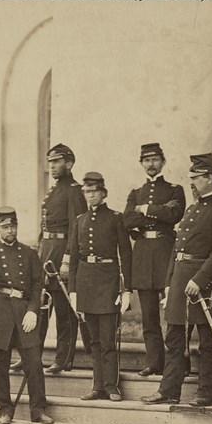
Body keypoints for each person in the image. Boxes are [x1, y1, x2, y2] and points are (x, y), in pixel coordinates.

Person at [140, 154, 212, 406]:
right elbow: (176, 249)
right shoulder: (193, 209)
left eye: (196, 178)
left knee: (208, 342)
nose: (191, 182)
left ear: (209, 178)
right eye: (190, 178)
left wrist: (200, 279)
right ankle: (169, 390)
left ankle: (207, 392)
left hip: (206, 285)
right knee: (174, 339)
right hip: (182, 282)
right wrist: (171, 283)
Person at [0, 207, 54, 424]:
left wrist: (33, 311)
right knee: (0, 365)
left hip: (24, 314)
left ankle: (38, 410)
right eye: (5, 227)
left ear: (17, 226)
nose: (10, 230)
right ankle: (4, 409)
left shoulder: (29, 254)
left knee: (35, 363)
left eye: (13, 226)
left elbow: (38, 285)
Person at [20, 143, 87, 374]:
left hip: (61, 254)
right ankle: (31, 355)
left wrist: (68, 259)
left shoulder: (74, 191)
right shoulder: (53, 191)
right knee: (38, 307)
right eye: (50, 162)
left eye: (57, 162)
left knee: (63, 309)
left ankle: (63, 358)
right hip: (46, 252)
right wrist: (37, 255)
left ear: (69, 163)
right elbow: (43, 227)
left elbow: (76, 229)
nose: (52, 166)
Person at [68, 172, 132, 402]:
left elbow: (126, 254)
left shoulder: (115, 218)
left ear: (103, 193)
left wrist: (126, 290)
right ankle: (97, 386)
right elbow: (74, 258)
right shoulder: (79, 220)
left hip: (108, 282)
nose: (90, 195)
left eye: (94, 191)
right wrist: (73, 290)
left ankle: (111, 385)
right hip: (86, 283)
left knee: (107, 339)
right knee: (93, 340)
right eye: (86, 192)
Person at [123, 143, 186, 376]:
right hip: (143, 257)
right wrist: (157, 211)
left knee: (173, 314)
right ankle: (154, 362)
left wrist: (145, 209)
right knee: (149, 317)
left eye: (155, 159)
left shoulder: (174, 189)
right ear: (142, 164)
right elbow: (128, 220)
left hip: (166, 253)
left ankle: (176, 363)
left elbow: (175, 214)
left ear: (163, 162)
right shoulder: (135, 193)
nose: (151, 164)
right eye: (146, 160)